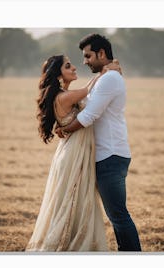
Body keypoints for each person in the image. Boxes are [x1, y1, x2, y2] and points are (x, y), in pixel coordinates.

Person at [56, 34, 142, 251]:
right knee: (116, 216)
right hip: (105, 156)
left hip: (110, 156)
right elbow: (85, 100)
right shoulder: (106, 76)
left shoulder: (110, 79)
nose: (84, 61)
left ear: (101, 53)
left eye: (88, 56)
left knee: (118, 216)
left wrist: (63, 129)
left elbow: (88, 117)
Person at [25, 54, 120, 251]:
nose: (74, 68)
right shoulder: (65, 96)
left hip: (71, 151)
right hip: (72, 154)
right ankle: (65, 247)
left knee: (72, 200)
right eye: (68, 66)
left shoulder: (62, 94)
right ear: (59, 74)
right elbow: (90, 89)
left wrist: (107, 71)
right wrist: (108, 70)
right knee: (70, 200)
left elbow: (88, 92)